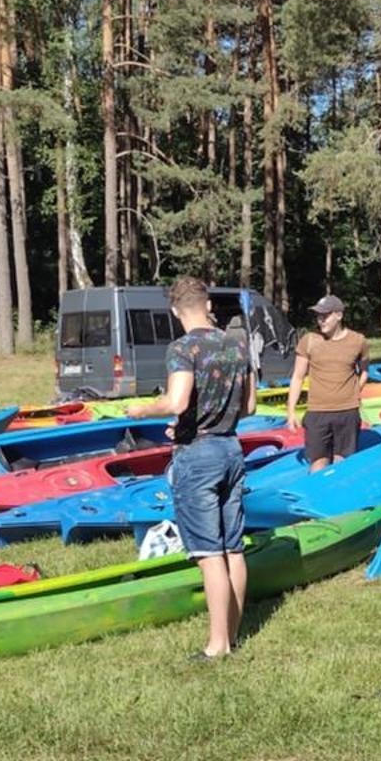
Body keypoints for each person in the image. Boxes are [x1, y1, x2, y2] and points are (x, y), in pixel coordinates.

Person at [125, 277, 254, 661]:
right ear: (208, 305)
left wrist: (142, 409)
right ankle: (232, 633)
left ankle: (217, 647)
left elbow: (178, 401)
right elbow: (248, 408)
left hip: (198, 457)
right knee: (233, 547)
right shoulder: (238, 344)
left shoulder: (183, 347)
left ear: (177, 310)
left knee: (208, 552)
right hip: (231, 449)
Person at [287, 294, 368, 470]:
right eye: (318, 316)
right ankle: (315, 495)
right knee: (318, 463)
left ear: (339, 315)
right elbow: (298, 377)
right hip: (317, 412)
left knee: (343, 465)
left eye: (325, 316)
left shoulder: (358, 341)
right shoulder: (309, 341)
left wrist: (354, 393)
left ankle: (341, 496)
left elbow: (364, 372)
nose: (321, 320)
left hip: (347, 412)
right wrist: (291, 411)